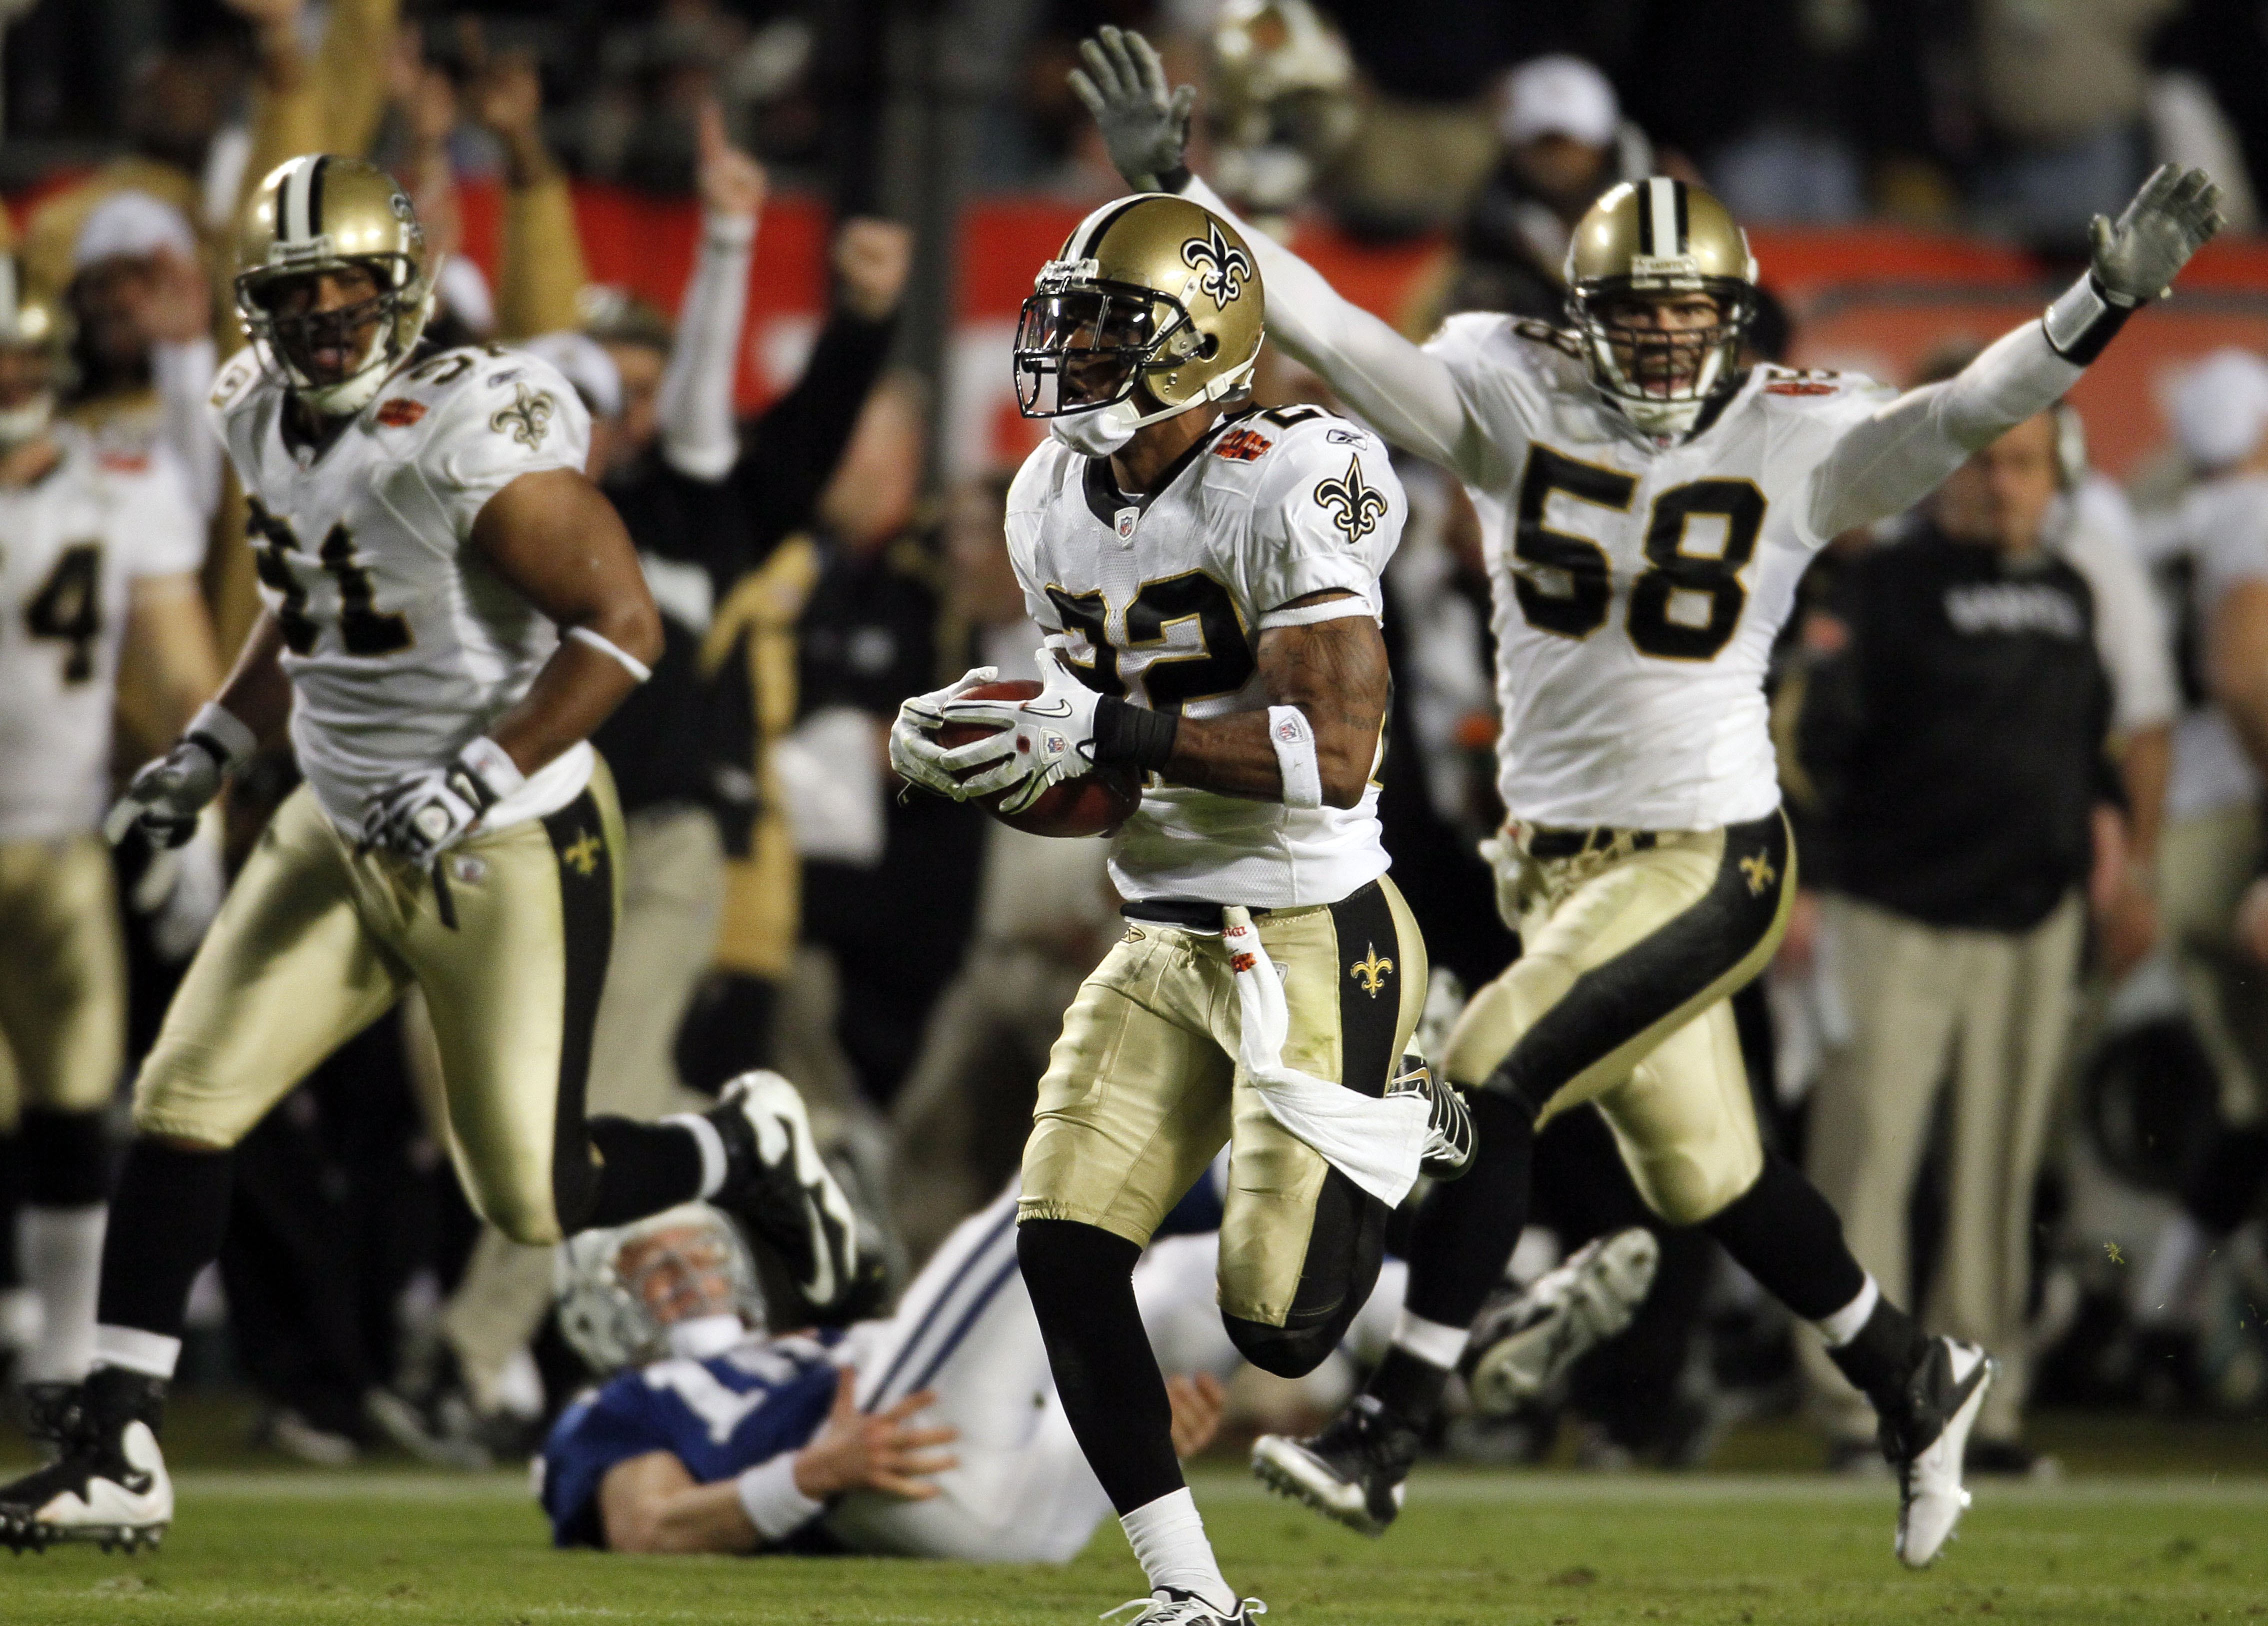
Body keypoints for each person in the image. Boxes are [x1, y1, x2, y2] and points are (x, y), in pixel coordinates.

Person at [1065, 24, 2224, 1568]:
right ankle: (1913, 1372)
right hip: (1553, 853)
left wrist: (2101, 304)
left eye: (1693, 318)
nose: (1671, 346)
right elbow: (1333, 328)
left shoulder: (1793, 436)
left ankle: (1392, 1427)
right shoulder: (1505, 392)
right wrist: (1189, 198)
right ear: (1579, 316)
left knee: (1484, 1067)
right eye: (1639, 315)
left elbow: (1962, 414)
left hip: (1709, 850)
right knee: (1715, 1175)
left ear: (1735, 322)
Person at [0, 156, 877, 1556]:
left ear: (403, 289)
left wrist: (478, 770)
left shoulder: (469, 425)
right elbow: (314, 607)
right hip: (336, 824)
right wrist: (218, 745)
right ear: (258, 307)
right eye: (298, 293)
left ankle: (743, 1141)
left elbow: (623, 629)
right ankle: (119, 1442)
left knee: (528, 1192)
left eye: (351, 289)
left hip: (504, 841)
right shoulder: (251, 412)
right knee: (179, 1103)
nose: (328, 318)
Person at [890, 191, 1472, 1626]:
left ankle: (1412, 1108)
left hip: (1314, 925)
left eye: (1109, 329)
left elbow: (1331, 759)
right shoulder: (1041, 500)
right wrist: (995, 758)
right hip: (1159, 924)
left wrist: (1099, 732)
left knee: (1280, 1328)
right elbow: (1091, 779)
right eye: (1071, 322)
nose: (1073, 354)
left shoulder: (1297, 474)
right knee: (1064, 1243)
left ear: (1203, 342)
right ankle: (1194, 1594)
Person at [1792, 409, 2123, 1474]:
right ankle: (1864, 1410)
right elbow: (1812, 747)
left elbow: (2088, 736)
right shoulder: (1883, 586)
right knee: (1868, 1170)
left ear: (2056, 474)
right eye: (1984, 462)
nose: (2003, 484)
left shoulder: (2072, 594)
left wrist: (2106, 817)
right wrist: (1811, 887)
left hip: (2031, 922)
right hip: (1896, 913)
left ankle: (1987, 1406)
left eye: (2024, 464)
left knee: (1998, 1179)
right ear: (1941, 472)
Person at [540, 1183, 1230, 1557]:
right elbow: (648, 1528)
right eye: (655, 1267)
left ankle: (1324, 1197)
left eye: (701, 1254)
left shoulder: (812, 1343)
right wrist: (808, 1476)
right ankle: (1243, 1153)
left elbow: (1011, 1379)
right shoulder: (623, 1406)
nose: (690, 1278)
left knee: (1209, 1283)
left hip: (1042, 1501)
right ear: (595, 1303)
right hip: (904, 1479)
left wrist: (1129, 1419)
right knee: (1055, 1190)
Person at [0, 257, 220, 1401]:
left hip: (56, 837)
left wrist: (205, 808)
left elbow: (178, 673)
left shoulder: (121, 481)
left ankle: (59, 1360)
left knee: (74, 1100)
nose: (10, 380)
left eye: (24, 359)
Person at [2125, 350, 2268, 1375]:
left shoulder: (2158, 527)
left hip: (2170, 827)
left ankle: (2166, 1306)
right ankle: (2166, 1310)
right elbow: (2245, 675)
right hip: (2231, 826)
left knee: (2249, 1092)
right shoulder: (2256, 515)